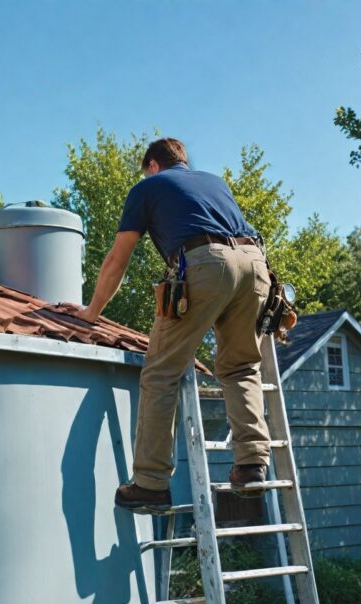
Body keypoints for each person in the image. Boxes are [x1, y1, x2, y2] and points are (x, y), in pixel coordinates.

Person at [75, 137, 271, 511]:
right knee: (242, 365)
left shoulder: (148, 187)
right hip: (255, 264)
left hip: (207, 262)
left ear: (152, 165)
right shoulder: (215, 182)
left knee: (161, 372)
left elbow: (118, 259)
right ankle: (251, 466)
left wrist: (91, 312)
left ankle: (150, 483)